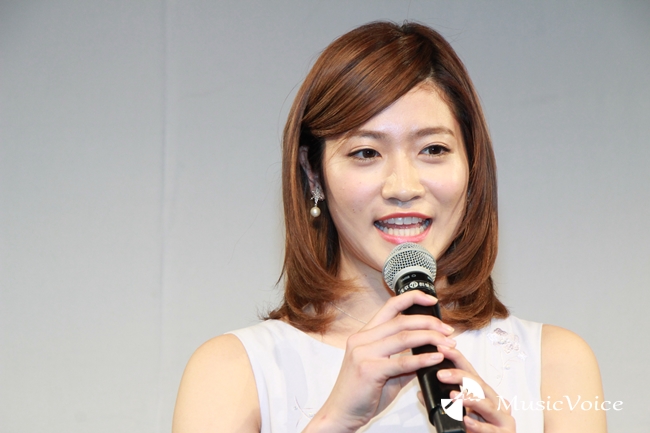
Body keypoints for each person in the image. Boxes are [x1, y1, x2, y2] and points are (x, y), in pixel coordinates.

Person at [172, 21, 606, 433]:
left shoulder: (556, 365)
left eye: (433, 149)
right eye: (366, 153)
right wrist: (332, 423)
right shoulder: (232, 371)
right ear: (313, 172)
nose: (403, 187)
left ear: (472, 165)